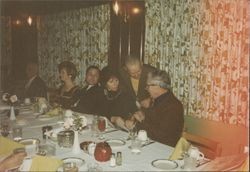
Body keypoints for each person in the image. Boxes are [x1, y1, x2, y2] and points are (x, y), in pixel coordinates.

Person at [119, 69, 184, 147]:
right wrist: (143, 116)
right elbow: (153, 123)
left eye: (148, 85)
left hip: (165, 148)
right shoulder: (157, 100)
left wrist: (136, 125)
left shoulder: (173, 107)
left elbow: (161, 136)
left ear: (159, 86)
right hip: (152, 143)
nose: (146, 88)